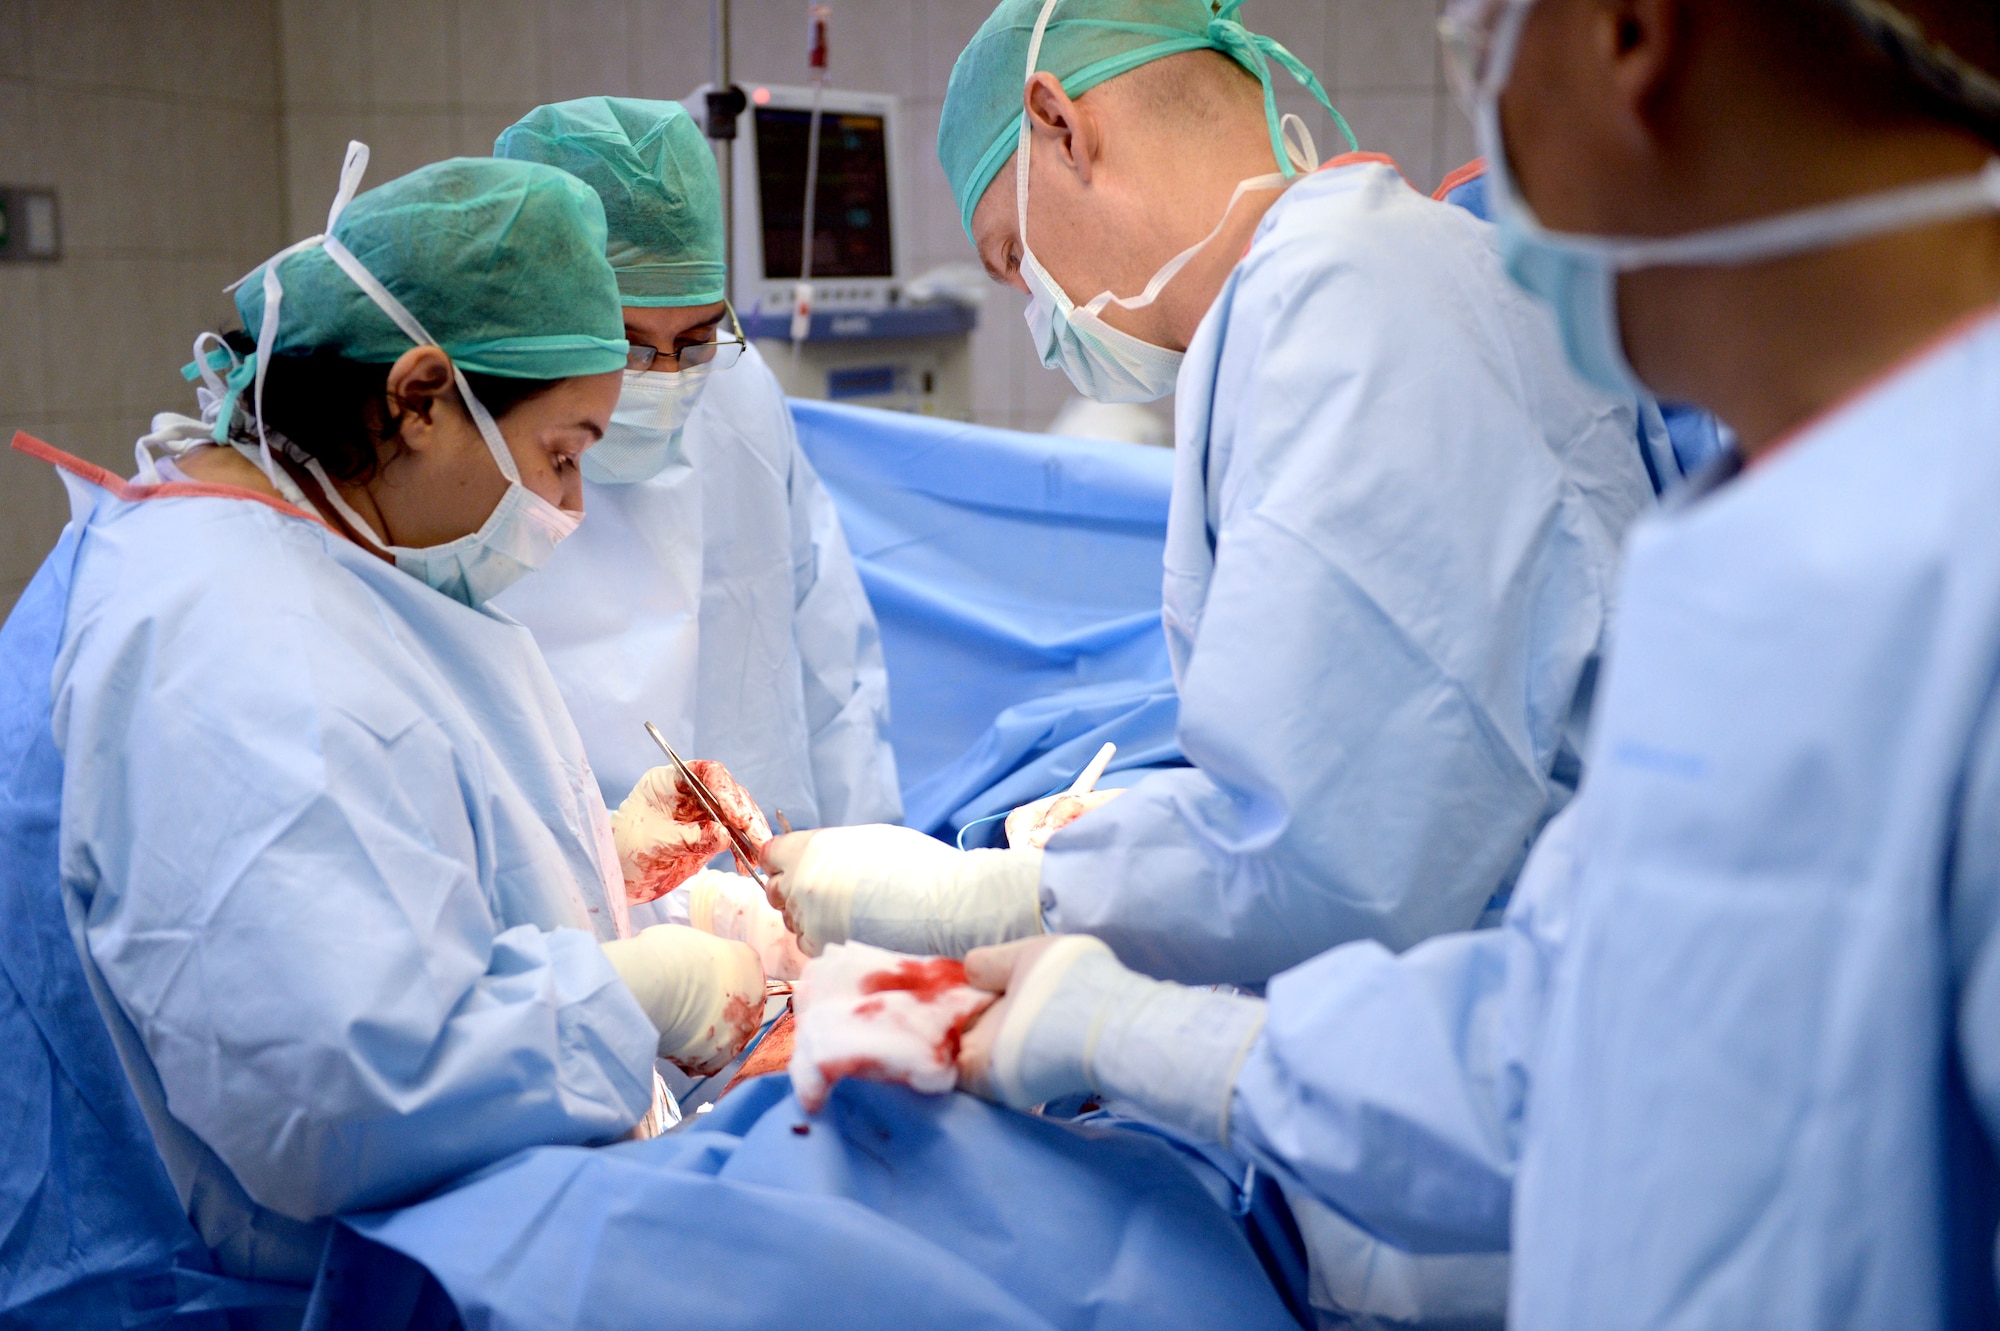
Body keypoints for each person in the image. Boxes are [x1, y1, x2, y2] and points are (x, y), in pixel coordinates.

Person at [949, 0, 2000, 1324]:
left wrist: (1000, 905)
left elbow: (1335, 845)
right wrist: (1140, 1033)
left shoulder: (1943, 552)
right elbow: (1587, 1049)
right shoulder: (1765, 534)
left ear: (1630, 32)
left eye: (1484, 50)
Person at [0, 147, 770, 1318]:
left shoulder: (289, 553)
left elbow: (330, 894)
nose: (564, 506)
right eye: (562, 454)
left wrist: (599, 871)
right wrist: (636, 991)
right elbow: (338, 1089)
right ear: (417, 397)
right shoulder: (228, 631)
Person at [762, 0, 1662, 991]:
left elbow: (1332, 858)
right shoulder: (1407, 264)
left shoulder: (1333, 305)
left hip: (1505, 1013)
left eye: (1012, 256)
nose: (1038, 311)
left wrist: (990, 896)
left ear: (1061, 125)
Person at [490, 96, 900, 832]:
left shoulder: (740, 393)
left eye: (699, 337)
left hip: (762, 864)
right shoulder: (480, 430)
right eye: (628, 343)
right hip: (567, 878)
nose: (667, 376)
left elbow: (830, 654)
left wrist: (866, 869)